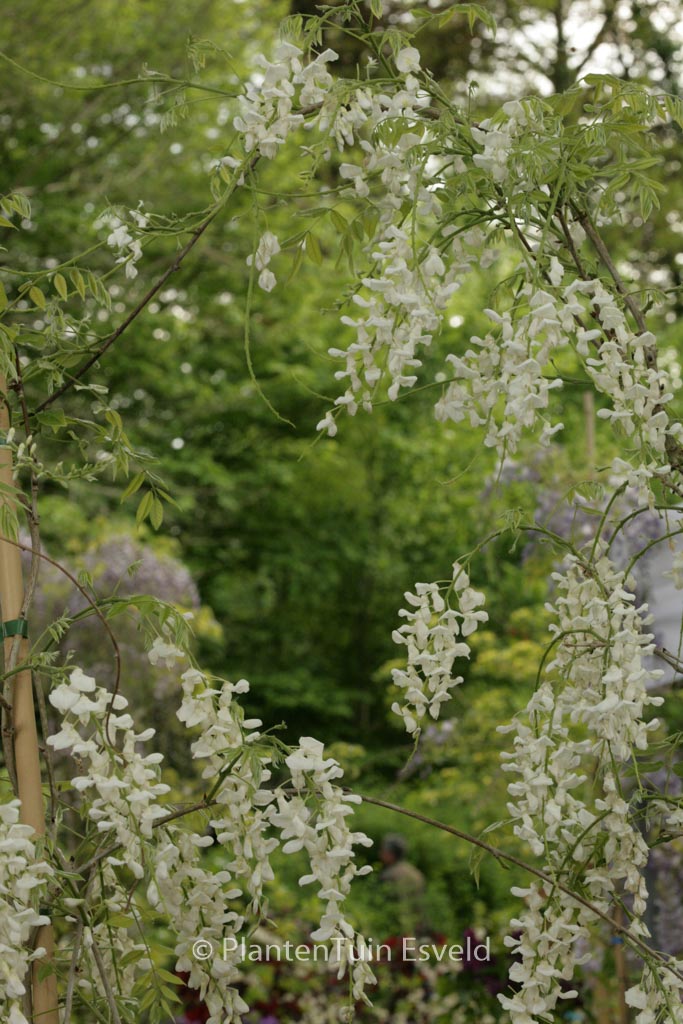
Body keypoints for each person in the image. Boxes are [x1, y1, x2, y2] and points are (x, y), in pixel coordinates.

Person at [378, 833, 428, 937]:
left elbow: (390, 905)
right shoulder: (415, 872)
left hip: (398, 928)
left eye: (383, 850)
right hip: (418, 923)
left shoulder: (389, 874)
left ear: (391, 854)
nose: (380, 853)